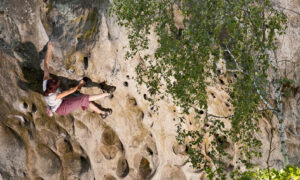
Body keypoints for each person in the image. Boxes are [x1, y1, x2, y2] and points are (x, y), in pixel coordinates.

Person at [43, 42, 113, 118]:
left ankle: (102, 113)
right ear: (53, 90)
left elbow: (46, 64)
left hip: (60, 103)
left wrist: (49, 49)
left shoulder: (45, 81)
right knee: (83, 99)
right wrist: (80, 84)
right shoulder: (54, 96)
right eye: (57, 86)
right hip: (62, 108)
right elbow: (70, 91)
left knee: (83, 100)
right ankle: (106, 96)